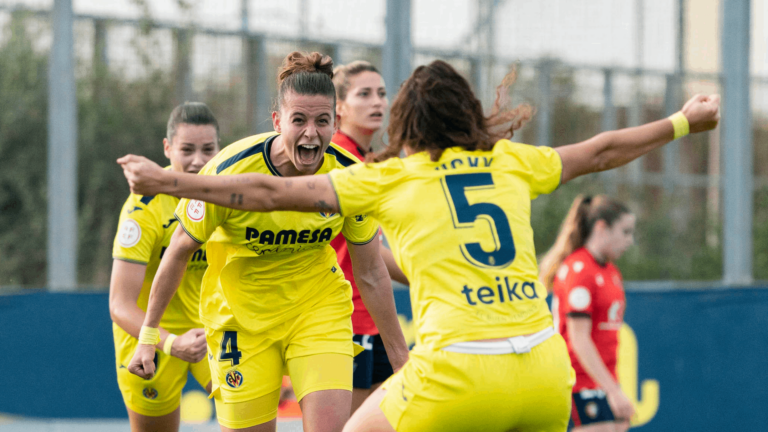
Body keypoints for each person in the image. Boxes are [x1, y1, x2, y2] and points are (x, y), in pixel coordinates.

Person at [117, 59, 720, 432]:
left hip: (457, 370)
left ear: (404, 120)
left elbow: (268, 195)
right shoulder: (510, 161)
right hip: (543, 368)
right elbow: (602, 150)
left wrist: (169, 179)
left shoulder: (387, 177)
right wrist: (684, 121)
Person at [124, 52, 409, 432]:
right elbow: (178, 251)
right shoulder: (230, 169)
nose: (311, 133)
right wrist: (148, 337)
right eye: (299, 120)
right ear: (277, 121)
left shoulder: (348, 175)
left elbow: (371, 269)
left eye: (322, 121)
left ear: (334, 122)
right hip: (241, 320)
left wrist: (402, 358)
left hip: (317, 311)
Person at [109, 102, 220, 431]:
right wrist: (170, 343)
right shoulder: (143, 210)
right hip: (150, 339)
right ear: (167, 148)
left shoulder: (227, 195)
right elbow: (119, 304)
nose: (198, 160)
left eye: (208, 149)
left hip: (210, 332)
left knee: (249, 419)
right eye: (187, 150)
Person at [331, 60, 409, 413]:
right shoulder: (335, 158)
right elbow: (373, 253)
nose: (377, 102)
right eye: (364, 94)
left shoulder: (367, 162)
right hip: (344, 318)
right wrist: (426, 276)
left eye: (381, 93)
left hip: (374, 319)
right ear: (340, 107)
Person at [540, 196, 636, 432]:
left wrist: (614, 387)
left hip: (601, 378)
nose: (630, 240)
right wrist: (612, 391)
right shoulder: (579, 269)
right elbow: (579, 339)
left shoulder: (611, 272)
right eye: (625, 232)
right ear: (602, 228)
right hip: (576, 377)